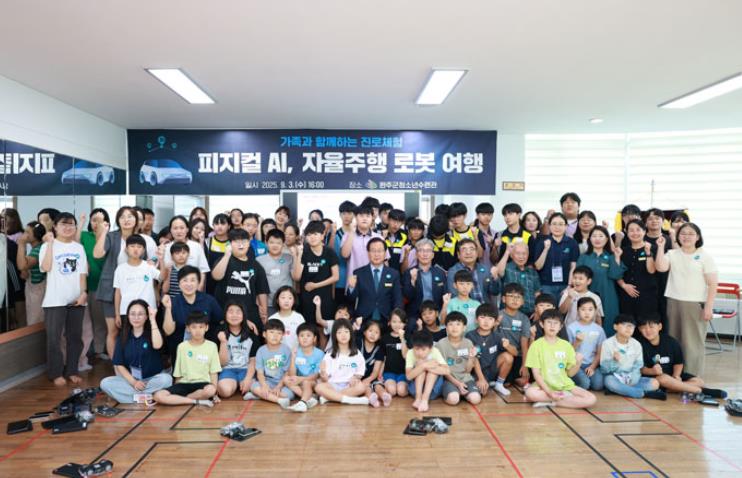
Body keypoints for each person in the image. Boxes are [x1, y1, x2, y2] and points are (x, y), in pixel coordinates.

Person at [655, 224, 718, 376]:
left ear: (698, 237)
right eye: (683, 233)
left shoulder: (705, 256)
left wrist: (709, 307)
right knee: (674, 340)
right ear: (678, 236)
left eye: (691, 233)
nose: (686, 236)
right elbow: (661, 267)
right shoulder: (672, 253)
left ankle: (692, 376)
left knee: (692, 343)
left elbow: (713, 284)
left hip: (695, 304)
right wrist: (660, 247)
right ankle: (676, 375)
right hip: (673, 302)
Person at [39, 212, 88, 386]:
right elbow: (45, 267)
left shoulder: (78, 248)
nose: (67, 227)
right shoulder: (47, 246)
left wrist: (84, 293)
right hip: (54, 301)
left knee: (75, 337)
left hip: (77, 300)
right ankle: (56, 373)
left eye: (71, 224)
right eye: (63, 224)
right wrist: (50, 244)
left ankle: (72, 370)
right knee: (54, 338)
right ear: (55, 227)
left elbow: (82, 274)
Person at [637, 316, 726, 398]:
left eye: (651, 327)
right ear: (639, 329)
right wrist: (651, 371)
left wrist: (676, 375)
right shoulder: (638, 344)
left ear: (660, 326)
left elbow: (678, 362)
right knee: (663, 379)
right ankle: (700, 391)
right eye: (644, 328)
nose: (648, 330)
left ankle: (673, 388)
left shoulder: (671, 342)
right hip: (656, 378)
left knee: (699, 382)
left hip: (672, 375)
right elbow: (639, 368)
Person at [100, 300, 172, 403]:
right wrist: (134, 382)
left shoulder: (154, 331)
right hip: (132, 381)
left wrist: (153, 320)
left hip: (152, 379)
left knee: (166, 379)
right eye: (133, 314)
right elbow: (119, 364)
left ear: (146, 317)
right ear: (128, 316)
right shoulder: (123, 336)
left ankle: (133, 398)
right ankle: (148, 397)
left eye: (140, 314)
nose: (136, 317)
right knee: (105, 383)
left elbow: (158, 345)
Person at [524, 309, 597, 409]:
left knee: (591, 399)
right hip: (543, 386)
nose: (552, 326)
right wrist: (549, 392)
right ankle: (559, 398)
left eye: (556, 323)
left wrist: (578, 362)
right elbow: (536, 374)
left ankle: (552, 402)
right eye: (549, 322)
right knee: (530, 393)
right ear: (541, 324)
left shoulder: (566, 345)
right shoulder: (536, 345)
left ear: (561, 326)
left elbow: (570, 374)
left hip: (564, 386)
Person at [94, 206, 141, 358]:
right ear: (118, 220)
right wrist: (103, 233)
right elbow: (97, 254)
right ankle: (116, 366)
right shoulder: (112, 237)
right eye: (122, 217)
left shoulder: (141, 239)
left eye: (130, 216)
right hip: (110, 290)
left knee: (133, 330)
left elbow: (149, 261)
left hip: (134, 289)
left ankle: (131, 362)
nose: (126, 220)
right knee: (113, 331)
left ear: (136, 220)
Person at [154, 312, 221, 407]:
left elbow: (213, 373)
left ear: (206, 328)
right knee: (158, 396)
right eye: (194, 327)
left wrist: (215, 394)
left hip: (203, 384)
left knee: (211, 390)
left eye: (201, 327)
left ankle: (181, 400)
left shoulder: (212, 346)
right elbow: (178, 374)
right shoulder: (182, 346)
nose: (197, 330)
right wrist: (176, 389)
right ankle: (196, 401)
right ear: (188, 328)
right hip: (184, 384)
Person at [162, 266, 224, 366]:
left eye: (192, 280)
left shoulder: (209, 301)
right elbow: (168, 331)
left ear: (198, 283)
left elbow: (221, 321)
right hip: (181, 353)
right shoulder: (173, 302)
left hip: (205, 351)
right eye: (185, 280)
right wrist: (168, 308)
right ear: (179, 283)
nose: (189, 284)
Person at [212, 228, 270, 328]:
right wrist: (227, 256)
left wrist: (264, 312)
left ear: (249, 244)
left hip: (249, 313)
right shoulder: (223, 260)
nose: (241, 244)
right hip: (225, 313)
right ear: (230, 244)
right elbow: (216, 276)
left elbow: (262, 290)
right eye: (236, 241)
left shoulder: (256, 265)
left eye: (244, 241)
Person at [600, 314, 666, 400]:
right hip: (615, 377)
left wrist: (633, 379)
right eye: (624, 325)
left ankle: (619, 390)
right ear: (615, 326)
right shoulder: (607, 343)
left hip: (631, 378)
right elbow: (604, 369)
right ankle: (641, 393)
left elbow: (638, 366)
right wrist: (614, 361)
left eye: (631, 326)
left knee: (655, 383)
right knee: (609, 381)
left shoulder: (636, 344)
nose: (628, 328)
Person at [576, 226, 625, 335]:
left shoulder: (611, 256)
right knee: (587, 322)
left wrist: (617, 257)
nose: (597, 239)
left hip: (608, 296)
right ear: (589, 239)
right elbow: (577, 277)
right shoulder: (584, 257)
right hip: (588, 295)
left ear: (607, 239)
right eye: (594, 236)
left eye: (601, 236)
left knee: (609, 323)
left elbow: (616, 275)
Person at [293, 220, 340, 324]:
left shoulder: (329, 252)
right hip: (307, 299)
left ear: (322, 235)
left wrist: (315, 285)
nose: (312, 237)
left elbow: (336, 277)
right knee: (308, 328)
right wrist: (298, 255)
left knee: (324, 327)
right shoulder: (304, 252)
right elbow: (296, 277)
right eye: (309, 235)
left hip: (325, 298)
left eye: (315, 234)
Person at [314, 319, 369, 405]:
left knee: (362, 387)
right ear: (334, 336)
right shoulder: (330, 354)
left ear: (351, 334)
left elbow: (360, 370)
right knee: (318, 387)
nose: (343, 335)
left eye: (346, 332)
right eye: (339, 332)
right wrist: (323, 373)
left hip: (349, 386)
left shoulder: (356, 353)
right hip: (333, 385)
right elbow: (325, 379)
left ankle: (330, 397)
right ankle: (350, 400)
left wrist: (356, 377)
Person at [347, 238, 402, 324]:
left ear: (385, 253)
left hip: (386, 319)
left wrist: (395, 319)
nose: (376, 254)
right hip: (363, 319)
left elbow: (397, 299)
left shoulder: (394, 274)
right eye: (373, 251)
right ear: (368, 253)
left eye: (379, 251)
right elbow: (351, 299)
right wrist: (351, 287)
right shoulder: (359, 273)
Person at [77, 210, 108, 358]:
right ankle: (88, 350)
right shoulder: (85, 235)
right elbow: (75, 244)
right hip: (85, 286)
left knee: (100, 320)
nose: (96, 223)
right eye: (94, 220)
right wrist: (81, 222)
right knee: (87, 322)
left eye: (100, 220)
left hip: (103, 286)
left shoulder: (108, 238)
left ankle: (99, 349)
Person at [244, 319, 294, 407]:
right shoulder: (261, 350)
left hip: (282, 383)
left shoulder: (286, 350)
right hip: (267, 381)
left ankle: (260, 395)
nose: (275, 336)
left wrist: (279, 386)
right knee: (253, 386)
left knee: (289, 395)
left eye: (279, 333)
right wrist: (264, 385)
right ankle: (279, 400)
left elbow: (287, 372)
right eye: (271, 332)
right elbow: (260, 372)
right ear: (264, 334)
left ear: (282, 336)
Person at [467, 304, 515, 396]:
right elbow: (474, 359)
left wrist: (508, 346)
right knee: (482, 393)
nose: (486, 321)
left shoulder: (497, 335)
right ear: (476, 320)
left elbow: (515, 353)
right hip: (476, 372)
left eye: (490, 318)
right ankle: (485, 382)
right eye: (482, 317)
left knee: (508, 356)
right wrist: (481, 379)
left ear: (495, 322)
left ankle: (499, 384)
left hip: (492, 370)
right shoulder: (470, 335)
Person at [113, 235, 161, 325]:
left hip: (148, 311)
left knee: (148, 334)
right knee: (127, 334)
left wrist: (162, 260)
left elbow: (162, 277)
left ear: (143, 250)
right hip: (126, 311)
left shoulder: (149, 266)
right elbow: (117, 293)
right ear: (126, 249)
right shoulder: (120, 269)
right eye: (132, 246)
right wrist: (117, 314)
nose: (135, 249)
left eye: (139, 247)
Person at [436, 312, 482, 406]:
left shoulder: (468, 343)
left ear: (464, 327)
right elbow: (444, 371)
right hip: (449, 380)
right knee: (453, 400)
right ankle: (455, 393)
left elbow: (468, 370)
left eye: (458, 324)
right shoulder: (441, 344)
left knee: (476, 399)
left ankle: (462, 393)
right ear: (446, 328)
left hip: (466, 379)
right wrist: (458, 384)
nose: (454, 327)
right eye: (450, 324)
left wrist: (471, 358)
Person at [617, 220, 659, 321]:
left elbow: (651, 271)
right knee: (628, 323)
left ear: (644, 231)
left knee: (646, 324)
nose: (635, 233)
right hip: (626, 295)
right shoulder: (623, 251)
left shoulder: (653, 248)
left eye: (638, 230)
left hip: (647, 295)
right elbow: (617, 272)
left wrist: (648, 253)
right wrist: (624, 285)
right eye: (631, 230)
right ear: (627, 232)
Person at [216, 301, 259, 399]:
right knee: (225, 391)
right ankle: (234, 384)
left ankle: (241, 384)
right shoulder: (219, 332)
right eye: (230, 311)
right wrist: (223, 342)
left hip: (246, 370)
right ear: (225, 314)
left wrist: (248, 379)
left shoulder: (251, 334)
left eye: (238, 312)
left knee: (254, 388)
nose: (234, 315)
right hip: (227, 370)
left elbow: (253, 361)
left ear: (244, 315)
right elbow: (222, 363)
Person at [534, 212, 579, 298]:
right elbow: (538, 266)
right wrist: (545, 249)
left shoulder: (572, 243)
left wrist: (569, 285)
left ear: (566, 226)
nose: (557, 227)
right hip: (546, 285)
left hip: (565, 285)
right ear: (549, 226)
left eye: (561, 224)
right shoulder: (542, 242)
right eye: (554, 224)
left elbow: (573, 266)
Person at [402, 238, 447, 321]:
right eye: (421, 250)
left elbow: (445, 296)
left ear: (433, 255)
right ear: (416, 254)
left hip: (436, 314)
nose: (425, 254)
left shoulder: (440, 273)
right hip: (415, 315)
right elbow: (407, 296)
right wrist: (413, 281)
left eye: (428, 251)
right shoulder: (409, 272)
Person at [567, 297, 606, 391]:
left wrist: (592, 367)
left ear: (595, 311)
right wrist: (577, 342)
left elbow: (600, 352)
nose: (587, 313)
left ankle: (583, 378)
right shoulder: (571, 328)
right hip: (575, 364)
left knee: (598, 385)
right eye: (583, 309)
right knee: (585, 384)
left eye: (590, 309)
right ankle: (570, 378)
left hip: (591, 363)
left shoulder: (599, 329)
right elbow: (567, 352)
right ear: (578, 311)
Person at [405, 330, 449, 412]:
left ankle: (424, 399)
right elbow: (408, 376)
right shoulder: (410, 353)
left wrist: (426, 366)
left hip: (434, 391)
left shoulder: (435, 351)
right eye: (416, 349)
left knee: (432, 371)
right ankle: (418, 398)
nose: (419, 352)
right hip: (415, 391)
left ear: (430, 348)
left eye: (423, 349)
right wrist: (423, 366)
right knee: (420, 367)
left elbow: (447, 371)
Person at [446, 238, 499, 305]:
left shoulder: (485, 269)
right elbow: (454, 296)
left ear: (477, 253)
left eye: (472, 249)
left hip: (485, 308)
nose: (468, 252)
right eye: (464, 249)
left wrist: (495, 278)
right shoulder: (453, 272)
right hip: (465, 308)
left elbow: (495, 292)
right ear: (458, 255)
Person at [163, 216, 211, 291]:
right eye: (175, 228)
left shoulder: (196, 246)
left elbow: (203, 270)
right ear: (170, 230)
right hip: (172, 291)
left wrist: (199, 288)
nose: (179, 231)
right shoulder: (166, 248)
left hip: (193, 291)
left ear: (187, 229)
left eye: (182, 228)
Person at [498, 283, 532, 387]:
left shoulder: (524, 319)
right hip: (502, 354)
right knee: (507, 383)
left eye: (518, 297)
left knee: (523, 381)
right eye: (511, 296)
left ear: (522, 301)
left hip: (518, 355)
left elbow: (524, 345)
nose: (515, 300)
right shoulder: (498, 315)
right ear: (504, 299)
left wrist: (525, 365)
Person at [285, 323, 324, 412]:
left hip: (313, 382)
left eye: (308, 335)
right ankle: (310, 399)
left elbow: (317, 375)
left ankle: (303, 402)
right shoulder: (296, 352)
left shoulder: (319, 353)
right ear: (298, 338)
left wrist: (301, 379)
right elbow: (292, 374)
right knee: (286, 379)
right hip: (299, 382)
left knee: (306, 382)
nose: (305, 338)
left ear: (314, 339)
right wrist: (293, 358)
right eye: (301, 335)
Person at [495, 242, 540, 316]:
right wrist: (507, 252)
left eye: (524, 254)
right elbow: (498, 271)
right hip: (510, 313)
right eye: (518, 253)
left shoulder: (532, 272)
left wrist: (537, 311)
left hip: (531, 314)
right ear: (512, 255)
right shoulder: (507, 268)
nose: (521, 256)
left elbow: (537, 293)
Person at [257, 229, 294, 316]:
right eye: (271, 242)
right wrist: (259, 304)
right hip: (267, 304)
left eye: (278, 243)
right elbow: (256, 285)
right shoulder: (259, 260)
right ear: (266, 243)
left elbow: (296, 277)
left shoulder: (290, 258)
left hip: (287, 304)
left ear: (283, 244)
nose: (275, 245)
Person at [644, 208, 671, 326]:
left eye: (657, 218)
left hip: (664, 283)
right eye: (650, 219)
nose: (654, 221)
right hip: (645, 283)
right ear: (645, 222)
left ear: (663, 221)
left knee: (664, 315)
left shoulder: (668, 239)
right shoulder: (640, 238)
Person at [340, 205, 382, 281]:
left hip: (374, 281)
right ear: (356, 217)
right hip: (353, 280)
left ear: (372, 218)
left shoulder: (379, 237)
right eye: (361, 216)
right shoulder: (347, 235)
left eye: (368, 216)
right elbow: (345, 255)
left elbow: (384, 261)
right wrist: (352, 232)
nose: (364, 218)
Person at [16, 221, 46, 325]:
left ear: (36, 235)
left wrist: (21, 244)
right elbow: (25, 271)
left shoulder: (38, 250)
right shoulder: (36, 248)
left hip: (38, 291)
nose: (24, 235)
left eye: (27, 232)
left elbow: (22, 265)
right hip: (33, 290)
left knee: (35, 321)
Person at [357, 320, 390, 407]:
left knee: (378, 386)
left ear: (380, 336)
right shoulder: (358, 343)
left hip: (371, 377)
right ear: (364, 332)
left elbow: (375, 372)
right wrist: (359, 380)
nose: (372, 334)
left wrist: (367, 380)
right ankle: (372, 398)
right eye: (370, 331)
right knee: (367, 389)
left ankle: (384, 396)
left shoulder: (379, 349)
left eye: (376, 332)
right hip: (357, 377)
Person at [380, 308, 409, 398]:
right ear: (389, 322)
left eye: (400, 322)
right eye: (394, 321)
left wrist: (402, 338)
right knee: (392, 391)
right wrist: (380, 374)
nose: (397, 325)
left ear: (405, 323)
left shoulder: (408, 337)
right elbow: (383, 358)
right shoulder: (385, 338)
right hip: (389, 372)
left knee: (401, 391)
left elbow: (405, 356)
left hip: (403, 373)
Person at [333, 200, 356, 306]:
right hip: (339, 279)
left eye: (349, 213)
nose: (346, 216)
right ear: (340, 215)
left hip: (354, 279)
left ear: (354, 215)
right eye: (343, 213)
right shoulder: (335, 234)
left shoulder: (358, 234)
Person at [268, 286, 305, 351]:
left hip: (296, 353)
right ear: (277, 300)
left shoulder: (299, 318)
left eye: (290, 298)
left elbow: (304, 337)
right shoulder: (272, 319)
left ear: (294, 301)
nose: (286, 301)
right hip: (278, 354)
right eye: (283, 297)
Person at [204, 213, 231, 294]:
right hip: (210, 285)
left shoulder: (233, 243)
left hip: (229, 284)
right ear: (213, 226)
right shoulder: (207, 242)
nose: (219, 226)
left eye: (222, 223)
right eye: (216, 223)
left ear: (229, 226)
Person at [473, 202, 497, 269]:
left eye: (489, 214)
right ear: (477, 215)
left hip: (491, 270)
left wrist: (493, 245)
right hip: (475, 271)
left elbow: (498, 258)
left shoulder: (495, 234)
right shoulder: (471, 232)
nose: (486, 217)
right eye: (483, 214)